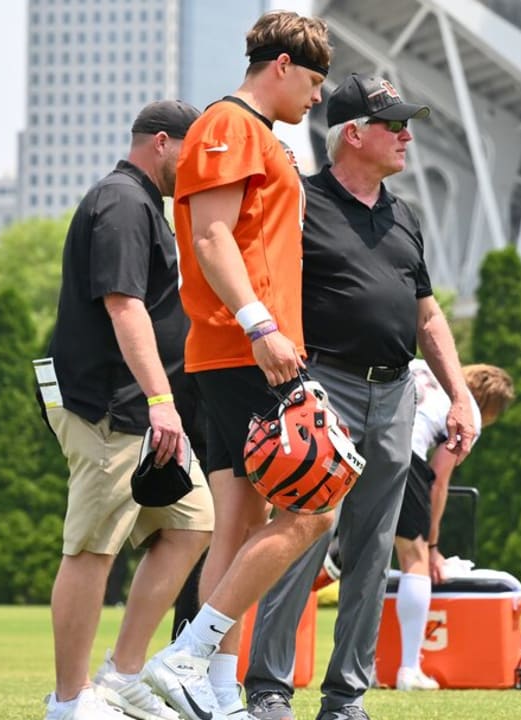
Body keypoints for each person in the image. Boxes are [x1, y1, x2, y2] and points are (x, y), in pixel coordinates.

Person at [243, 73, 476, 720]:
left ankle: (346, 697)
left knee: (374, 551)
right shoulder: (301, 202)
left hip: (396, 392)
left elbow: (427, 317)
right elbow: (259, 284)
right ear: (353, 134)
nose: (406, 135)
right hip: (325, 385)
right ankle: (268, 690)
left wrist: (460, 395)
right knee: (304, 537)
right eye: (393, 124)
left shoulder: (404, 216)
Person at [137, 11, 334, 720]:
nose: (316, 98)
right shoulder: (231, 124)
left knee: (240, 524)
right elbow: (212, 234)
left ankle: (217, 696)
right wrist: (260, 326)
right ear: (279, 67)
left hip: (239, 349)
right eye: (312, 81)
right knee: (317, 506)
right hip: (243, 347)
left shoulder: (262, 137)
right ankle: (188, 656)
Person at [39, 100, 214, 720]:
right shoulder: (122, 200)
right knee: (92, 550)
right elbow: (123, 306)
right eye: (192, 153)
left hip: (143, 413)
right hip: (109, 407)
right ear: (161, 143)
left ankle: (123, 675)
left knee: (193, 522)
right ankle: (68, 701)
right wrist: (162, 400)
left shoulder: (150, 207)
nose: (197, 169)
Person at [391, 361, 515, 691]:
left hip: (358, 441)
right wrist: (432, 547)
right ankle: (409, 668)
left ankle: (360, 666)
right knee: (413, 558)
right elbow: (439, 479)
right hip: (404, 452)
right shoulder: (468, 410)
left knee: (368, 557)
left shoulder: (423, 366)